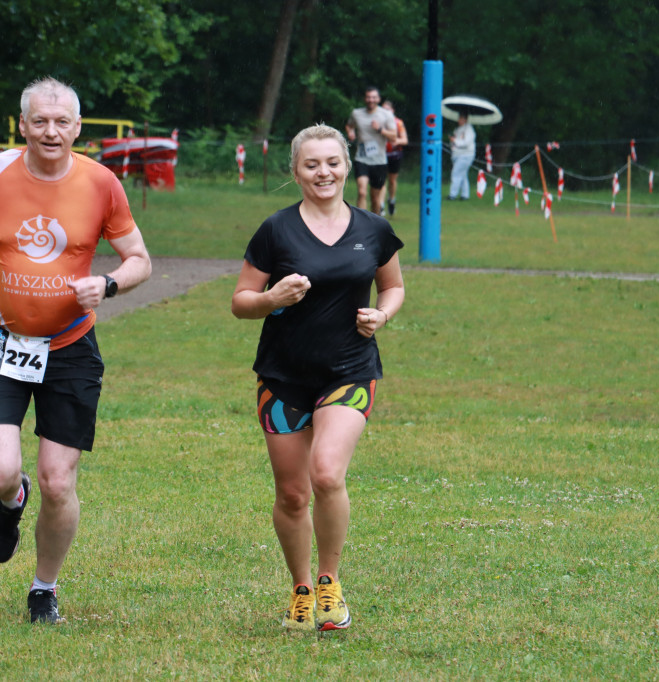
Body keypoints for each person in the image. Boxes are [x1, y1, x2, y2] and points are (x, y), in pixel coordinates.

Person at [0, 77, 151, 625]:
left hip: (71, 347)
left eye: (62, 123)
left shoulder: (102, 183)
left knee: (59, 480)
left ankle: (43, 589)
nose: (50, 132)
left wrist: (107, 285)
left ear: (77, 128)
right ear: (23, 125)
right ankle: (10, 500)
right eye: (40, 122)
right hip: (0, 342)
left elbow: (139, 259)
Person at [231, 123, 405, 632]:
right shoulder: (275, 230)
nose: (323, 172)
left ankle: (330, 584)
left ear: (347, 166)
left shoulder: (372, 229)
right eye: (312, 164)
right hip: (283, 378)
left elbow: (392, 287)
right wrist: (271, 299)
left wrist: (382, 315)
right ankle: (302, 589)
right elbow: (241, 302)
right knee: (292, 494)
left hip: (349, 371)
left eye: (332, 162)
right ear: (296, 171)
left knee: (326, 473)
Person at [345, 86, 397, 215]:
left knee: (375, 198)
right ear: (364, 98)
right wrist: (351, 133)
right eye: (368, 97)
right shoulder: (356, 113)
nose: (370, 100)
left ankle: (375, 224)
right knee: (362, 192)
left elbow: (394, 136)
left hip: (379, 161)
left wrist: (380, 129)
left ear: (378, 99)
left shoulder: (386, 115)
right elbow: (349, 125)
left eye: (373, 97)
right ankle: (361, 224)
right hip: (361, 158)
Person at [382, 100, 409, 216]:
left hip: (395, 155)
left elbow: (405, 140)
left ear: (392, 111)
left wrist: (396, 141)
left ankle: (392, 200)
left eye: (387, 110)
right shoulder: (378, 123)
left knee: (392, 180)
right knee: (381, 180)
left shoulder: (398, 123)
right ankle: (381, 205)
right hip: (381, 155)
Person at [448, 113, 476, 199]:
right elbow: (455, 142)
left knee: (456, 173)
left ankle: (453, 195)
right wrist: (453, 141)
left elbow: (466, 143)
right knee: (462, 175)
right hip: (457, 154)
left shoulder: (469, 129)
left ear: (465, 119)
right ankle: (465, 195)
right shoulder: (458, 129)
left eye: (461, 119)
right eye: (459, 118)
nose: (459, 120)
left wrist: (454, 140)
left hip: (466, 155)